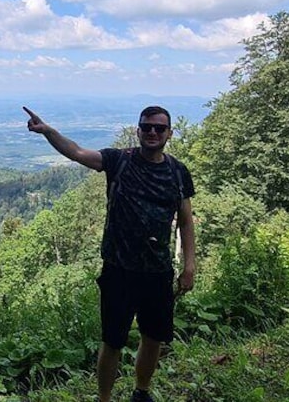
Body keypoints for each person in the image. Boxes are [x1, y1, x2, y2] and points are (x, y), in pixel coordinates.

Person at [23, 105, 196, 402]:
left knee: (152, 338)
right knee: (112, 340)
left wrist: (190, 265)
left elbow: (186, 220)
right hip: (119, 269)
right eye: (147, 126)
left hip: (157, 270)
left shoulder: (177, 172)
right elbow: (77, 152)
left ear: (169, 133)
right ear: (138, 129)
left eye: (159, 128)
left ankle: (141, 392)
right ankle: (104, 398)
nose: (152, 132)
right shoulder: (119, 161)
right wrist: (49, 132)